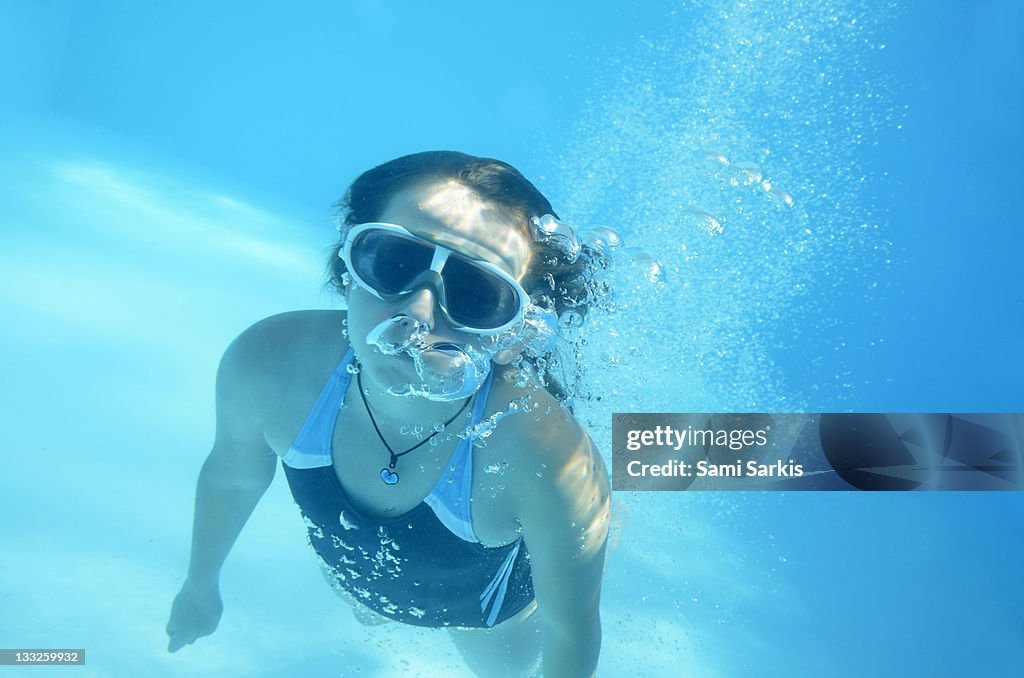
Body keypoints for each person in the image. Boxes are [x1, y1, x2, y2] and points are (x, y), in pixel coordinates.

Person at [165, 151, 611, 677]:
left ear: (513, 333)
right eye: (396, 260)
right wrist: (199, 584)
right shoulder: (271, 364)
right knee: (366, 610)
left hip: (487, 616)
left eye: (473, 293)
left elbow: (571, 629)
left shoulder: (542, 458)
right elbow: (234, 477)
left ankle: (612, 518)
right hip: (361, 578)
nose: (417, 312)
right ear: (348, 263)